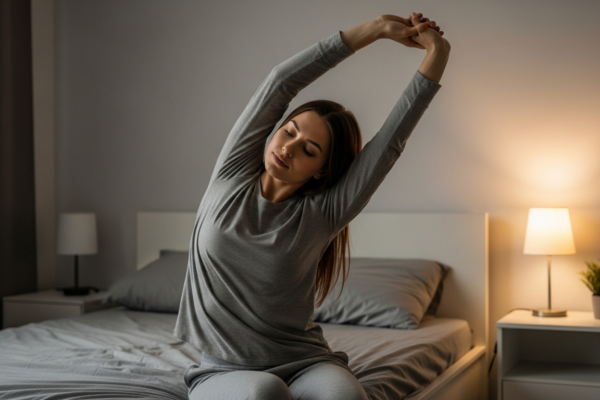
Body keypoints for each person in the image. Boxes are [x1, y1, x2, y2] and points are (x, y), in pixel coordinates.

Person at [174, 11, 450, 400]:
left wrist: (437, 52)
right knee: (263, 393)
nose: (287, 147)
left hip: (306, 362)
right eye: (289, 131)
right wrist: (375, 31)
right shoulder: (231, 174)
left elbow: (389, 144)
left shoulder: (324, 214)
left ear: (322, 171)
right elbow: (280, 82)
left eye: (309, 150)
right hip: (224, 366)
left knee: (346, 396)